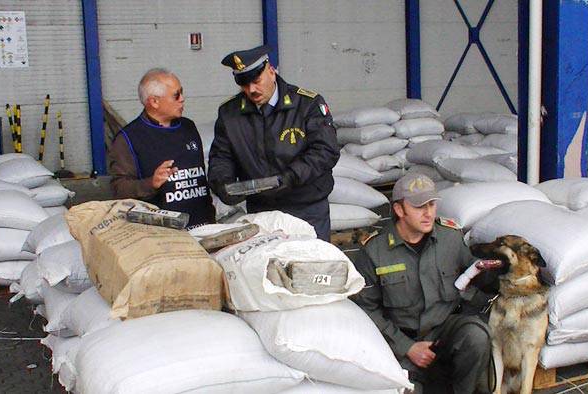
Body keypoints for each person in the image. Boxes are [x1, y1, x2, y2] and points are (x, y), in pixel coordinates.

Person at [351, 173, 495, 394]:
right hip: (400, 341)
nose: (428, 213)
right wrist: (407, 347)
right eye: (419, 207)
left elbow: (473, 278)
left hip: (445, 332)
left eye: (432, 204)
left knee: (476, 335)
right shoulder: (374, 251)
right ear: (399, 210)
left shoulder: (451, 238)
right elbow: (367, 309)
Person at [208, 45, 340, 241]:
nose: (251, 90)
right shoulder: (230, 113)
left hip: (306, 207)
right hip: (262, 210)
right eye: (244, 85)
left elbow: (325, 151)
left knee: (312, 266)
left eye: (256, 80)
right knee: (266, 268)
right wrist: (223, 184)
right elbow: (221, 157)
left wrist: (290, 177)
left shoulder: (307, 104)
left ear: (271, 71)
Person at [108, 68, 215, 228]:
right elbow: (119, 188)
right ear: (154, 102)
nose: (182, 99)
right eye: (176, 95)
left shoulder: (188, 127)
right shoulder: (129, 138)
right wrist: (151, 183)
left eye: (182, 92)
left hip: (204, 226)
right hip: (163, 234)